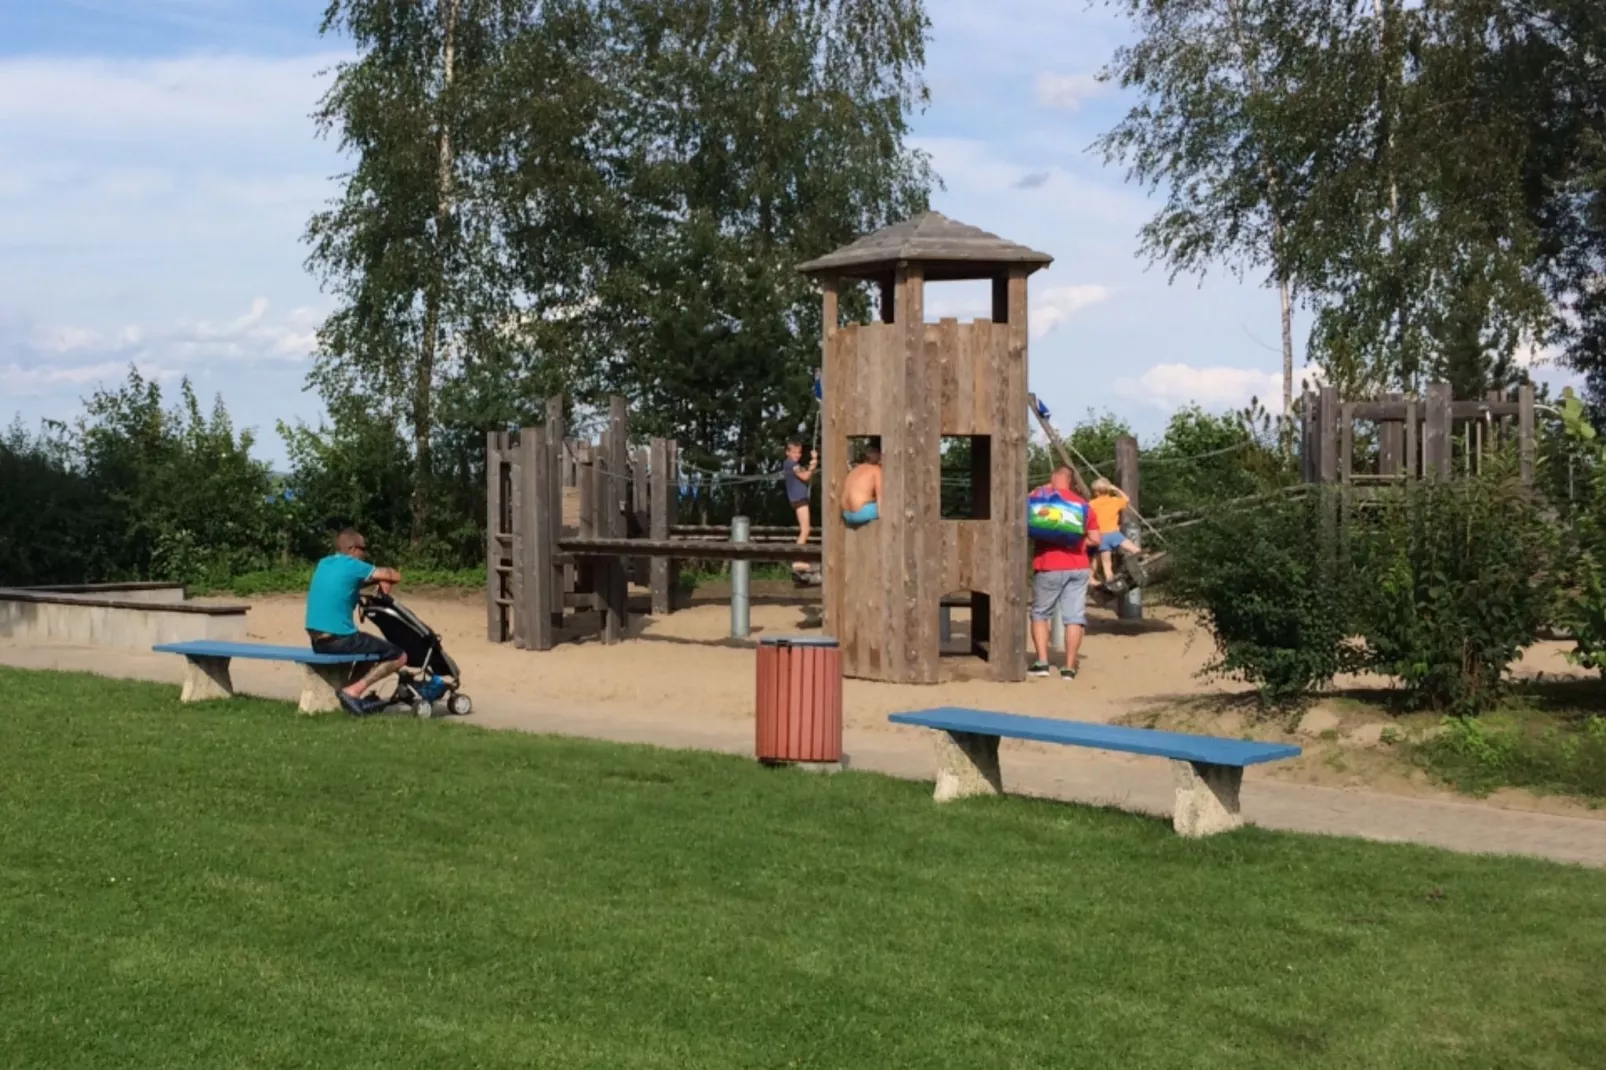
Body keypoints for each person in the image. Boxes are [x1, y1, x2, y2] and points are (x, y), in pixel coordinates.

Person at [304, 528, 405, 715]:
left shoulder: (324, 563)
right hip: (339, 639)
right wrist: (385, 578)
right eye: (363, 549)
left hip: (318, 642)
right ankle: (353, 691)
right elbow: (394, 574)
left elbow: (348, 582)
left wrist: (374, 581)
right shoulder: (352, 565)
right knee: (399, 656)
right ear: (352, 549)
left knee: (368, 652)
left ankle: (348, 693)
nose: (365, 554)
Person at [1029, 465, 1099, 679]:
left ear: (1053, 478)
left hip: (1048, 564)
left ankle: (1042, 663)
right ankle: (1068, 667)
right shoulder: (1084, 506)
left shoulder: (1041, 501)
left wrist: (1040, 489)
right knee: (1074, 618)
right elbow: (1096, 539)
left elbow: (1024, 506)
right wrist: (1077, 545)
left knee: (1040, 614)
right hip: (1078, 567)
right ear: (1071, 481)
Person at [1088, 477, 1141, 589]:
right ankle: (1143, 565)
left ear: (1096, 492)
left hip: (1101, 536)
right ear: (1109, 490)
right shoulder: (1114, 501)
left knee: (1107, 564)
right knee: (1135, 549)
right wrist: (1116, 489)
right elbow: (1126, 499)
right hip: (1114, 534)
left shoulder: (1092, 504)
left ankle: (1112, 585)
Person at [782, 439, 817, 577]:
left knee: (806, 529)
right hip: (799, 499)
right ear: (787, 452)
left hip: (798, 498)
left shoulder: (792, 464)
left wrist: (811, 464)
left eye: (799, 452)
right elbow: (805, 476)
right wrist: (813, 465)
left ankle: (799, 558)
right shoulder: (791, 464)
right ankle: (797, 560)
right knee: (805, 530)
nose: (797, 455)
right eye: (794, 452)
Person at [840, 445, 882, 527]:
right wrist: (882, 519)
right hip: (859, 513)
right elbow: (880, 495)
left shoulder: (855, 470)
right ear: (880, 460)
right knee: (891, 506)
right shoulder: (876, 469)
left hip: (846, 514)